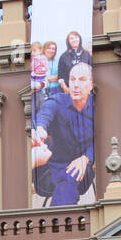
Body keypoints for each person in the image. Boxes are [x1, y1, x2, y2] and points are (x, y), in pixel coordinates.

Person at [32, 62, 94, 206]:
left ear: (91, 85)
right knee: (66, 179)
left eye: (82, 80)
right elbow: (46, 113)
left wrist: (86, 158)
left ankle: (55, 224)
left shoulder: (97, 106)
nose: (76, 85)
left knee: (70, 176)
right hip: (51, 168)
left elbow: (102, 138)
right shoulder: (58, 100)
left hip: (83, 169)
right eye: (72, 79)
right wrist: (41, 128)